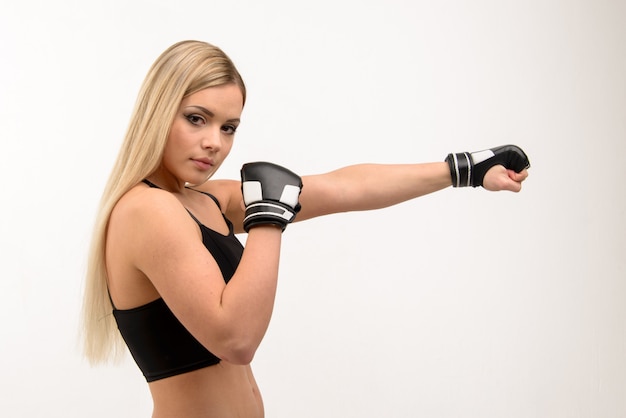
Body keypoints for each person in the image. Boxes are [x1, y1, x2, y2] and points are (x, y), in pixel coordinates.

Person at [81, 40, 530, 417]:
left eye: (229, 126)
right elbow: (235, 338)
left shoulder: (206, 200)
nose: (214, 142)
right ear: (159, 111)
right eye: (196, 118)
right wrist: (268, 220)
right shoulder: (146, 210)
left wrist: (464, 169)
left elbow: (344, 187)